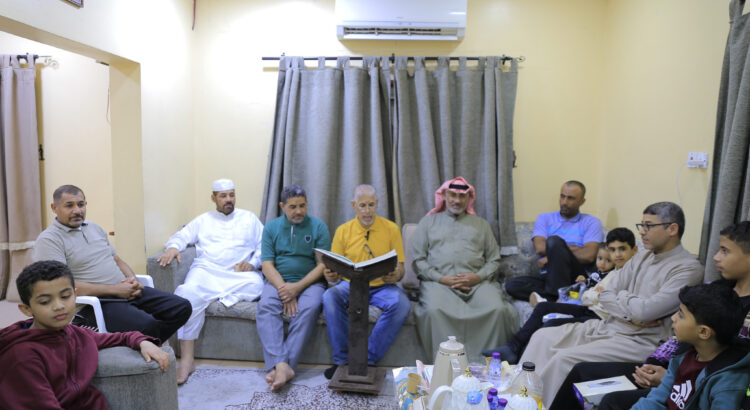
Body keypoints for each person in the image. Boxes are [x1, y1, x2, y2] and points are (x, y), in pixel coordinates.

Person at [519, 201, 703, 407]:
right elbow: (605, 295)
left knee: (563, 359)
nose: (642, 232)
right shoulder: (641, 256)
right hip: (608, 325)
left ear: (672, 229)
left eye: (648, 226)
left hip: (638, 340)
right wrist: (631, 310)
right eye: (641, 225)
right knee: (542, 336)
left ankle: (537, 406)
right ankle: (518, 399)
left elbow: (645, 312)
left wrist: (623, 300)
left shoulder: (688, 269)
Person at [549, 220, 750, 409]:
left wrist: (672, 375)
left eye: (725, 251)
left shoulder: (692, 274)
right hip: (672, 368)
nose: (716, 257)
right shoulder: (715, 288)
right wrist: (656, 364)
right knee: (581, 371)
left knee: (611, 399)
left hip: (698, 379)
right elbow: (677, 341)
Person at [0, 260, 170, 409]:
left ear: (75, 295)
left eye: (65, 296)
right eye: (45, 301)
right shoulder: (23, 357)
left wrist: (142, 342)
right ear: (26, 309)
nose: (59, 306)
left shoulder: (73, 333)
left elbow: (117, 337)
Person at [32, 185, 191, 341]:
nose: (77, 211)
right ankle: (144, 343)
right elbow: (60, 286)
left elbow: (117, 260)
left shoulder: (94, 228)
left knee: (181, 307)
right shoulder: (49, 240)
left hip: (124, 291)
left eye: (81, 205)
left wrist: (133, 282)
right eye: (69, 206)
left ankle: (144, 343)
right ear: (54, 208)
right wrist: (116, 290)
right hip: (96, 303)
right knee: (148, 325)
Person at [156, 178, 265, 384]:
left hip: (237, 276)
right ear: (213, 198)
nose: (229, 199)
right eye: (223, 196)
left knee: (258, 285)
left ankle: (219, 297)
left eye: (232, 195)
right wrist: (173, 248)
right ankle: (187, 360)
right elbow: (182, 236)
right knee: (187, 295)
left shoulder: (249, 219)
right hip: (207, 272)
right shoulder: (203, 220)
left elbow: (264, 244)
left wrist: (252, 263)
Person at [483, 228, 638, 363]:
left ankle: (522, 361)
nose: (617, 254)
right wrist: (593, 295)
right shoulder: (615, 270)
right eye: (613, 250)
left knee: (549, 325)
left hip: (597, 316)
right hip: (586, 306)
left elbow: (604, 301)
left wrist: (593, 295)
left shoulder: (630, 274)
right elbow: (589, 296)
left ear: (635, 250)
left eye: (622, 249)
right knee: (542, 307)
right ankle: (512, 347)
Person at [412, 177, 519, 361]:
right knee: (433, 310)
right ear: (444, 196)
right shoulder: (428, 223)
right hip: (439, 283)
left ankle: (484, 365)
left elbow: (494, 259)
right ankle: (445, 364)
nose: (457, 200)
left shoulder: (482, 225)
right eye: (452, 195)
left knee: (498, 309)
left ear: (468, 199)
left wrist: (477, 277)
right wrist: (441, 278)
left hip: (478, 283)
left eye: (462, 196)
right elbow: (418, 261)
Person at [322, 185, 411, 379]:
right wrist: (331, 275)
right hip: (350, 284)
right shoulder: (343, 230)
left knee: (402, 304)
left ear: (377, 204)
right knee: (330, 296)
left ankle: (366, 358)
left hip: (382, 286)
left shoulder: (391, 229)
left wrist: (396, 275)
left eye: (371, 205)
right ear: (354, 205)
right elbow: (334, 268)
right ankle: (342, 360)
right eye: (362, 206)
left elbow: (401, 268)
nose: (367, 211)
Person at [258, 184, 331, 392]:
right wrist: (285, 290)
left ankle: (281, 366)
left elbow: (323, 265)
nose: (298, 211)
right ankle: (283, 366)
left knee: (310, 307)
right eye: (293, 207)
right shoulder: (271, 228)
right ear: (282, 206)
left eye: (302, 206)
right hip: (277, 282)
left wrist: (297, 288)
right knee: (265, 306)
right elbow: (267, 265)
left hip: (310, 283)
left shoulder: (319, 227)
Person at [631, 283, 749, 409]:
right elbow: (657, 398)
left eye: (681, 315)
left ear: (703, 332)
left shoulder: (727, 384)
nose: (673, 317)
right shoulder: (684, 353)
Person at [504, 181, 603, 304]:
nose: (564, 202)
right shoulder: (544, 218)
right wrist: (559, 253)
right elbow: (540, 248)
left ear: (582, 201)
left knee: (553, 241)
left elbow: (589, 255)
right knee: (512, 285)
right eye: (562, 196)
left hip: (575, 277)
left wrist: (552, 255)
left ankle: (552, 299)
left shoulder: (592, 222)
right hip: (548, 276)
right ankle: (560, 297)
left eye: (571, 198)